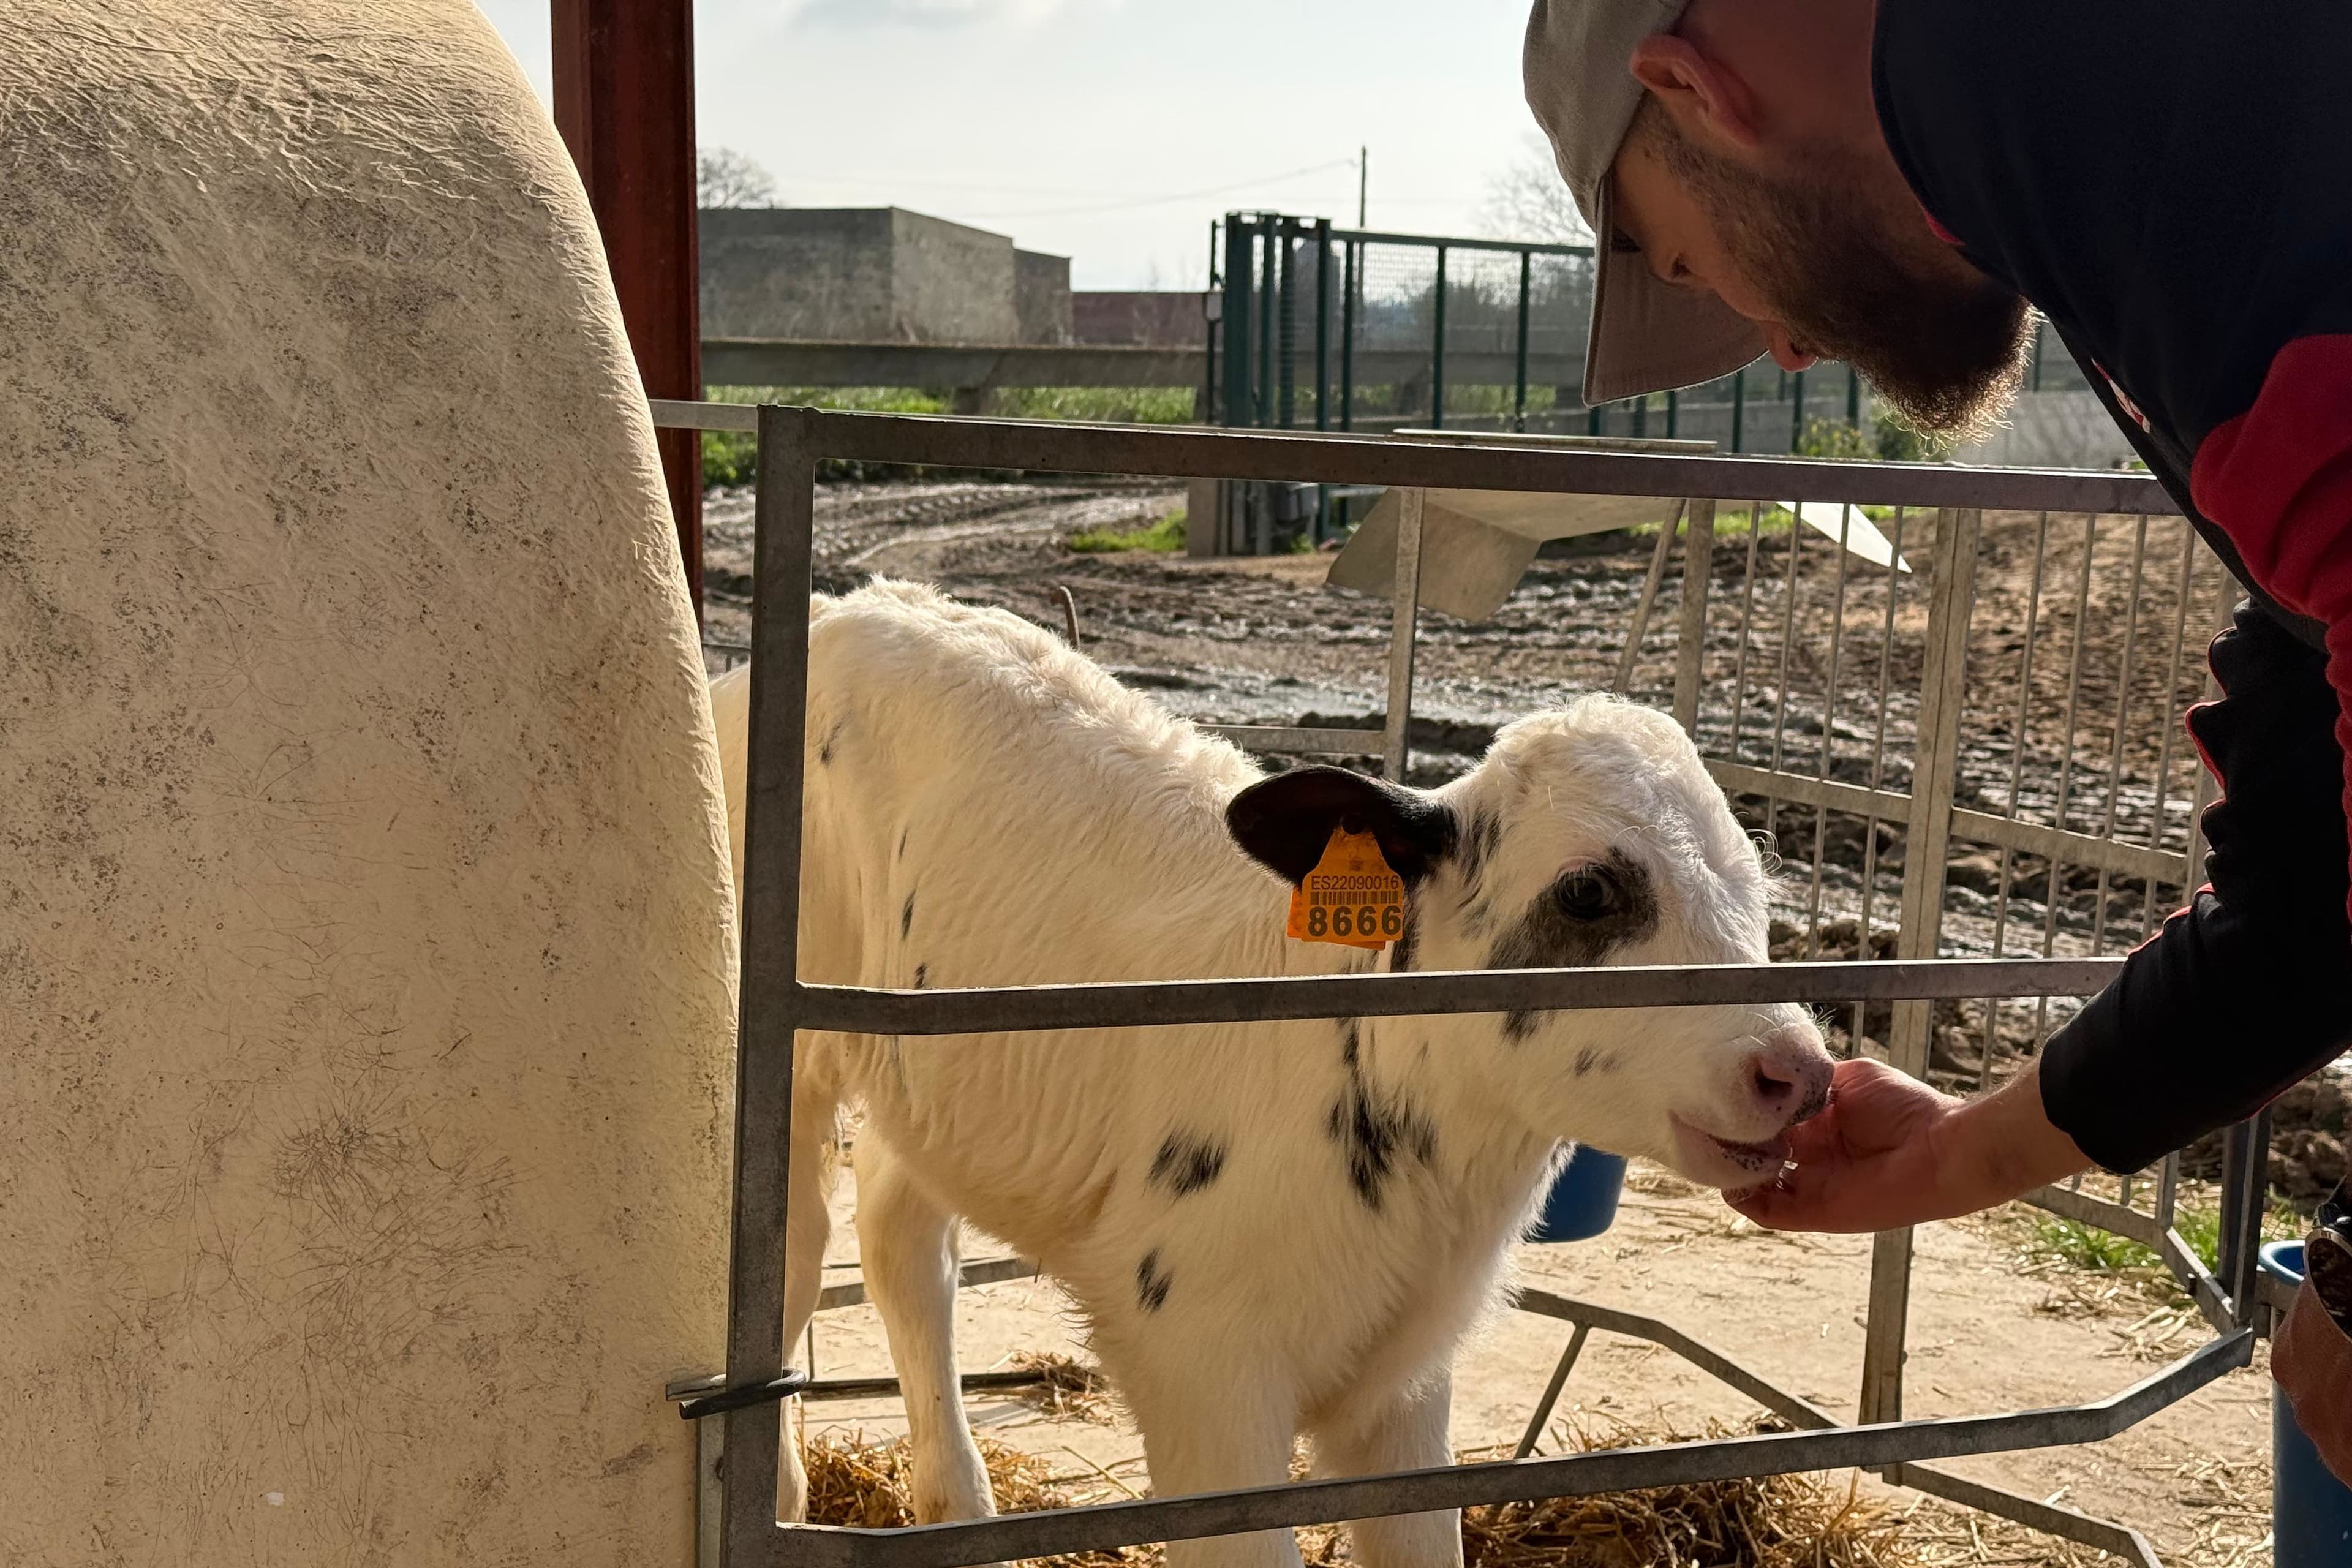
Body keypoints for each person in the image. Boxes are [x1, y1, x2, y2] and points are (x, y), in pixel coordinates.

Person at [1521, 0, 2352, 1469]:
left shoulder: (2126, 117)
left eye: (1694, 264)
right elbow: (2309, 886)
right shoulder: (2102, 170)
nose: (1776, 344)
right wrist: (1954, 1153)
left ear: (1693, 86)